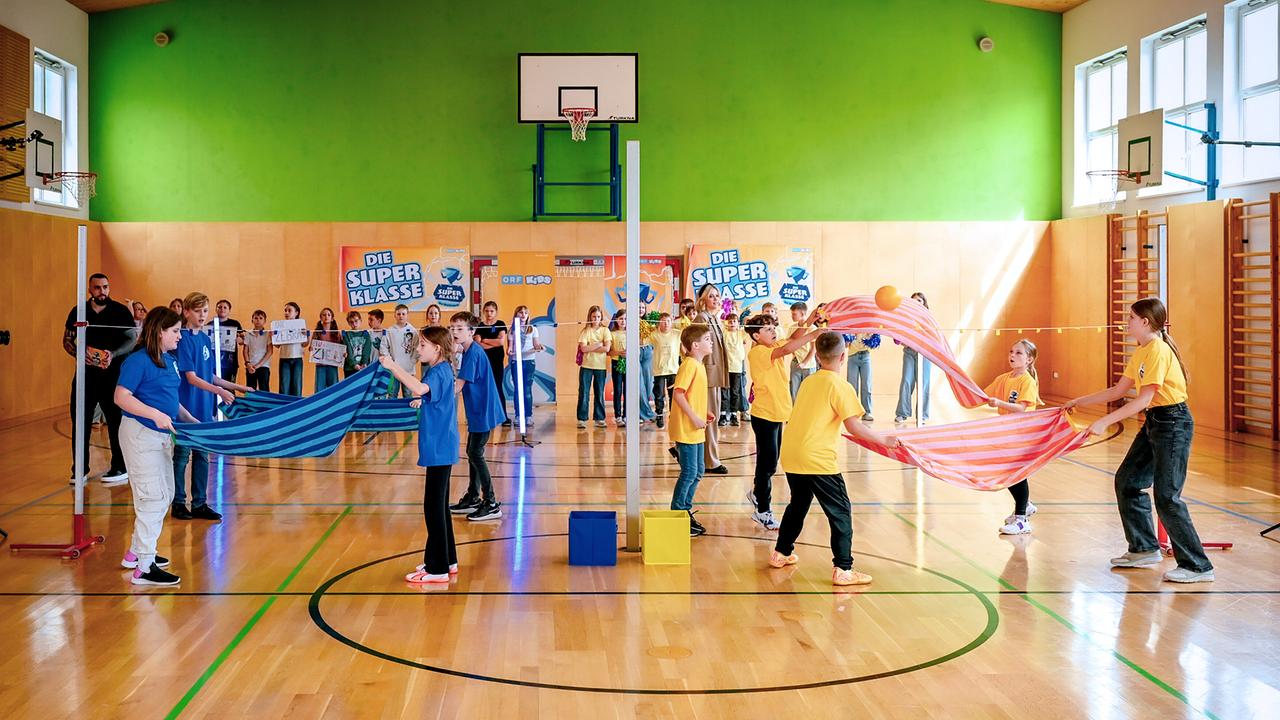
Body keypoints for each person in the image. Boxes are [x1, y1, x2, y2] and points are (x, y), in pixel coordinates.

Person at [1064, 298, 1214, 583]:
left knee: (1167, 497)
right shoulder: (1143, 351)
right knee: (1128, 481)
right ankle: (1144, 548)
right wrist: (1078, 401)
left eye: (1131, 317)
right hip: (1156, 422)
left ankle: (1198, 566)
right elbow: (1118, 389)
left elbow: (1144, 398)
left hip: (1173, 423)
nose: (1126, 321)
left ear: (1145, 322)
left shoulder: (1157, 350)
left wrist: (1104, 422)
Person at [771, 332, 900, 586]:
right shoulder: (841, 386)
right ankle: (843, 569)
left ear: (817, 357)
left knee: (798, 505)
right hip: (817, 459)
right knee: (840, 512)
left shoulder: (809, 381)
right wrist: (884, 440)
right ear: (844, 356)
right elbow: (854, 427)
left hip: (792, 454)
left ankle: (781, 553)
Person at [114, 307, 199, 586]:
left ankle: (136, 553)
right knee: (152, 497)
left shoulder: (169, 360)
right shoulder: (137, 361)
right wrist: (155, 415)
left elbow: (170, 399)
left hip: (161, 436)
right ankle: (145, 567)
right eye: (175, 331)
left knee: (165, 494)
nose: (179, 337)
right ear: (159, 331)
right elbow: (121, 397)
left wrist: (190, 420)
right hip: (141, 435)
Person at [379, 327, 459, 584]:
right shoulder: (442, 370)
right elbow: (426, 394)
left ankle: (437, 570)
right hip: (442, 445)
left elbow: (419, 387)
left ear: (437, 348)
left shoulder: (437, 371)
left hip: (439, 447)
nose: (418, 349)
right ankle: (447, 560)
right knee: (440, 507)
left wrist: (393, 366)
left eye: (422, 345)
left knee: (433, 507)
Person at [172, 292, 250, 522]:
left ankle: (199, 503)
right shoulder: (183, 338)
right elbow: (191, 377)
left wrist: (238, 387)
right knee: (182, 455)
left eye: (205, 311)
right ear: (186, 312)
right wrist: (220, 392)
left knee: (203, 456)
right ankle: (178, 502)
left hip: (205, 409)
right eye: (198, 311)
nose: (202, 315)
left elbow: (211, 376)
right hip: (187, 408)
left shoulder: (205, 339)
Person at [744, 311, 823, 530]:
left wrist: (809, 321)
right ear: (756, 336)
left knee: (772, 461)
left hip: (778, 414)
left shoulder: (770, 346)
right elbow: (789, 348)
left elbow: (792, 338)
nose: (773, 331)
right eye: (767, 329)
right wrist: (816, 333)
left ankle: (757, 493)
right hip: (764, 415)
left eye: (773, 327)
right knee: (767, 465)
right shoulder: (758, 352)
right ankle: (762, 510)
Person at [64, 272, 136, 485]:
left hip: (113, 377)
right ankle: (79, 470)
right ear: (90, 289)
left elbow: (132, 339)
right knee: (80, 423)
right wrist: (80, 353)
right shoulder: (79, 311)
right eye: (97, 287)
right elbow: (67, 339)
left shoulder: (121, 311)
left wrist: (112, 355)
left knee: (115, 423)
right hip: (85, 377)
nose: (102, 291)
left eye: (105, 287)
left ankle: (120, 467)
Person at [446, 312, 505, 522]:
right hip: (477, 410)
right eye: (452, 328)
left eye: (460, 328)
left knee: (475, 453)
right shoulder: (468, 351)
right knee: (473, 452)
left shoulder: (473, 353)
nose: (454, 332)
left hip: (484, 410)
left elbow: (457, 386)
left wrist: (430, 393)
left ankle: (490, 502)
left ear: (471, 332)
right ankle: (473, 496)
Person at [985, 339, 1042, 535]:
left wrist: (999, 402)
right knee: (1007, 473)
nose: (1012, 355)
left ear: (1029, 359)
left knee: (1017, 474)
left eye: (1018, 353)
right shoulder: (1003, 378)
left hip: (1022, 435)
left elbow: (1022, 409)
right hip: (1007, 433)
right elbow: (983, 395)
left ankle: (1021, 520)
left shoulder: (1027, 381)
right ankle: (1025, 505)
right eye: (1011, 351)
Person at [669, 324, 713, 537]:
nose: (710, 342)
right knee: (688, 472)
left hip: (695, 427)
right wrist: (695, 418)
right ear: (695, 345)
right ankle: (678, 513)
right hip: (686, 428)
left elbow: (692, 396)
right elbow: (679, 394)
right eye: (707, 339)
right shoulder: (689, 365)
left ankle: (686, 511)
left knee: (698, 471)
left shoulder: (699, 365)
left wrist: (704, 413)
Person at [692, 284, 730, 474]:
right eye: (712, 296)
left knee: (711, 419)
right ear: (703, 300)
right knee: (710, 419)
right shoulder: (701, 318)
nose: (716, 299)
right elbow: (694, 347)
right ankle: (710, 461)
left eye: (718, 296)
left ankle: (698, 456)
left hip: (715, 374)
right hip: (706, 375)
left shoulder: (714, 318)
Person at [895, 292, 932, 424]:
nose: (916, 303)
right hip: (909, 352)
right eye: (914, 301)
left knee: (924, 384)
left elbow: (931, 337)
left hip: (925, 354)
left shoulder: (927, 318)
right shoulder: (905, 318)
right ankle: (902, 413)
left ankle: (922, 415)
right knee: (906, 381)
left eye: (919, 301)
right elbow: (898, 338)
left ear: (924, 304)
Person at [474, 301, 510, 427]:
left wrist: (486, 340)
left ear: (496, 312)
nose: (489, 313)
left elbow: (500, 342)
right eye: (487, 311)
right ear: (484, 311)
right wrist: (489, 343)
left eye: (492, 311)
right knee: (484, 388)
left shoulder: (500, 324)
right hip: (483, 362)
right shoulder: (480, 325)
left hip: (497, 362)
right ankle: (485, 416)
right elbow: (477, 343)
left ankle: (504, 417)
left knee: (498, 388)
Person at [506, 305, 543, 425]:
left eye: (525, 313)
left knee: (527, 389)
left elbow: (536, 344)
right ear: (516, 315)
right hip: (516, 361)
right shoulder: (512, 330)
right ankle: (518, 415)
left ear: (528, 315)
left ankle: (528, 416)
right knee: (518, 389)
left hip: (529, 361)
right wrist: (510, 351)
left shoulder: (532, 329)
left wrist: (539, 347)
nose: (523, 315)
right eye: (520, 313)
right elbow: (510, 347)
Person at [576, 305, 611, 429]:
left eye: (598, 316)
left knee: (599, 392)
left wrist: (592, 347)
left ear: (601, 317)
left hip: (600, 367)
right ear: (590, 317)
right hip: (586, 366)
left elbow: (607, 348)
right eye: (594, 316)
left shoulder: (605, 331)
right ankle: (582, 419)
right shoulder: (585, 331)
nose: (596, 319)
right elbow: (584, 348)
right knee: (584, 393)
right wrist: (598, 345)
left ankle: (600, 418)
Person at [648, 312, 680, 429]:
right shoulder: (653, 335)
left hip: (673, 370)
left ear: (671, 322)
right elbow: (642, 341)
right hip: (659, 370)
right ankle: (660, 415)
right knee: (659, 395)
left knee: (674, 395)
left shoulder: (677, 334)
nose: (666, 324)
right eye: (663, 321)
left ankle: (674, 415)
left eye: (668, 321)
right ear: (659, 323)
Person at [720, 312, 749, 426]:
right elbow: (720, 325)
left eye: (734, 321)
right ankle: (723, 414)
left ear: (738, 324)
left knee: (735, 392)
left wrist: (745, 320)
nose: (732, 323)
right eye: (730, 321)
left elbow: (748, 328)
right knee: (724, 392)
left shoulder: (741, 333)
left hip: (737, 368)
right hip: (726, 368)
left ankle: (733, 414)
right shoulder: (724, 332)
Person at [785, 302, 816, 400]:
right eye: (792, 314)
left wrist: (804, 362)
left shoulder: (812, 328)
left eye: (794, 314)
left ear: (802, 314)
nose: (792, 316)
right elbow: (789, 343)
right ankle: (794, 414)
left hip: (809, 365)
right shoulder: (792, 327)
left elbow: (813, 348)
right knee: (794, 392)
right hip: (795, 363)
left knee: (809, 393)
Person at [387, 304, 420, 398]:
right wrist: (390, 361)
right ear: (395, 315)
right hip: (394, 369)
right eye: (398, 314)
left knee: (408, 394)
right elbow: (384, 347)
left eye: (403, 314)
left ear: (407, 315)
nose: (401, 316)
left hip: (408, 369)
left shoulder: (413, 331)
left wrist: (412, 361)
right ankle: (392, 412)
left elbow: (417, 349)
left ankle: (408, 413)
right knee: (392, 394)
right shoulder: (390, 330)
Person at [844, 333, 876, 422]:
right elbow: (846, 345)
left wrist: (870, 336)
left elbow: (874, 344)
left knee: (866, 385)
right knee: (852, 385)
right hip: (852, 357)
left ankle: (867, 412)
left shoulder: (869, 328)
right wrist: (850, 337)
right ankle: (853, 411)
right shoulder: (851, 327)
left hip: (866, 356)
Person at [635, 300, 657, 425]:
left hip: (647, 351)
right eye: (638, 307)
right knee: (639, 385)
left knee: (648, 384)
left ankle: (642, 411)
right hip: (636, 351)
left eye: (643, 307)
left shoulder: (650, 322)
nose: (641, 309)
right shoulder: (630, 320)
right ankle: (647, 413)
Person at [277, 302, 306, 396]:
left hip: (297, 358)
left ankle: (297, 408)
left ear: (296, 313)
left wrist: (307, 336)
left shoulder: (301, 325)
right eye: (285, 310)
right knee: (284, 387)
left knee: (297, 386)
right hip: (284, 358)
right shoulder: (279, 326)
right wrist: (274, 337)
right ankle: (284, 408)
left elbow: (305, 344)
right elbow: (277, 345)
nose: (286, 312)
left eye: (289, 310)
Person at [310, 307, 342, 392]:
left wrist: (343, 353)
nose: (326, 316)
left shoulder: (337, 333)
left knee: (334, 387)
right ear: (321, 317)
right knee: (319, 388)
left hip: (332, 364)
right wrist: (311, 348)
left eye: (328, 315)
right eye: (324, 315)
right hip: (320, 364)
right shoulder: (317, 332)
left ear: (332, 318)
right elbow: (311, 347)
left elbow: (341, 347)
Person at [212, 299, 242, 384]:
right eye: (220, 307)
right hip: (215, 363)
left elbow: (243, 339)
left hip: (231, 363)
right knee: (215, 387)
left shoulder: (235, 323)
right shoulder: (210, 324)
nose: (222, 309)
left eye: (225, 307)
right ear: (216, 309)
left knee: (230, 388)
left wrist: (240, 340)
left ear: (229, 310)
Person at [242, 310, 273, 391]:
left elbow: (270, 351)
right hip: (250, 366)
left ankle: (265, 404)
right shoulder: (248, 334)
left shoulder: (268, 334)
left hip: (263, 366)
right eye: (256, 318)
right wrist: (248, 364)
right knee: (250, 388)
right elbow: (245, 350)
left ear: (265, 321)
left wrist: (258, 365)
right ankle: (250, 403)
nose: (258, 320)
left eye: (260, 318)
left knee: (264, 388)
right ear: (252, 320)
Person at [609, 309, 628, 427]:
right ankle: (618, 416)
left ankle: (626, 415)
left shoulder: (631, 333)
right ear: (616, 320)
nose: (623, 321)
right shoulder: (612, 334)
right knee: (618, 390)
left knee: (628, 390)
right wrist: (619, 353)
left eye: (625, 319)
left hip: (629, 364)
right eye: (621, 319)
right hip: (616, 363)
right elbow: (609, 352)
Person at [342, 310, 372, 379]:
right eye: (351, 322)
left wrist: (364, 363)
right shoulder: (346, 335)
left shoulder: (366, 334)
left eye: (356, 321)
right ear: (348, 323)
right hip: (349, 368)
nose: (354, 324)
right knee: (350, 388)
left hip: (363, 367)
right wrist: (354, 365)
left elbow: (367, 350)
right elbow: (348, 351)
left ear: (360, 320)